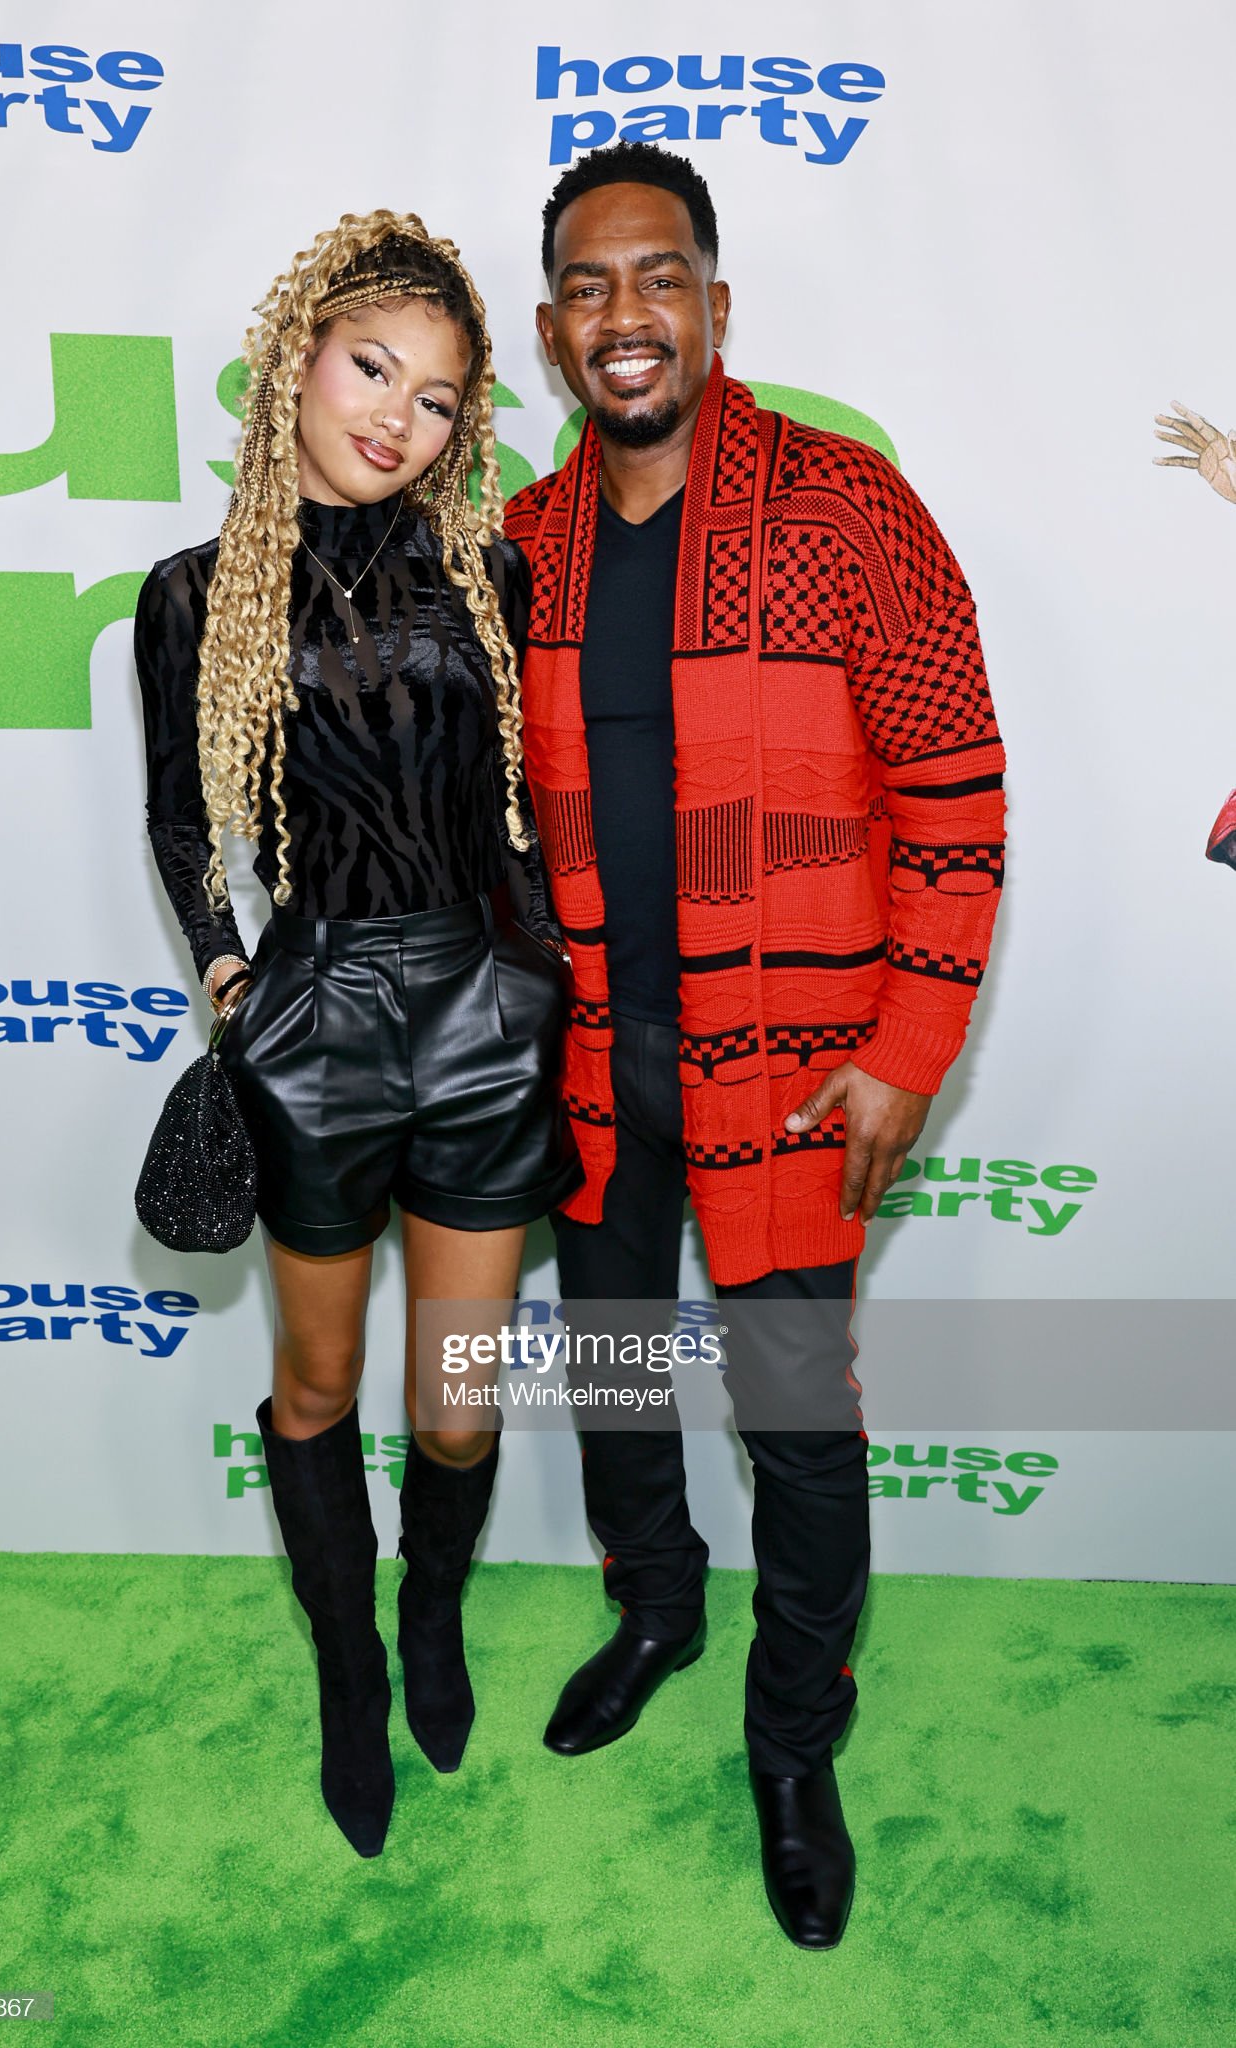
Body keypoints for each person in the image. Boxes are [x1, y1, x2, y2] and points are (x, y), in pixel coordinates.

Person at [506, 142, 1006, 1948]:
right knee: (617, 1367)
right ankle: (653, 1604)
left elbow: (957, 794)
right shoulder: (527, 538)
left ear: (717, 304)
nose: (624, 316)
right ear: (554, 329)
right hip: (587, 1063)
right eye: (587, 285)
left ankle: (795, 1740)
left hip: (790, 1060)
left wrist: (906, 1048)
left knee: (793, 1413)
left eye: (658, 278)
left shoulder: (848, 507)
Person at [133, 212, 580, 1860]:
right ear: (295, 363)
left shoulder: (493, 570)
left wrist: (538, 977)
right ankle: (344, 1665)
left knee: (455, 1408)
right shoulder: (189, 597)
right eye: (371, 367)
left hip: (479, 1010)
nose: (398, 414)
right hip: (313, 1025)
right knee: (316, 1389)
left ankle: (432, 1617)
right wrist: (237, 984)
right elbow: (183, 832)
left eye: (444, 397)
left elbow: (526, 815)